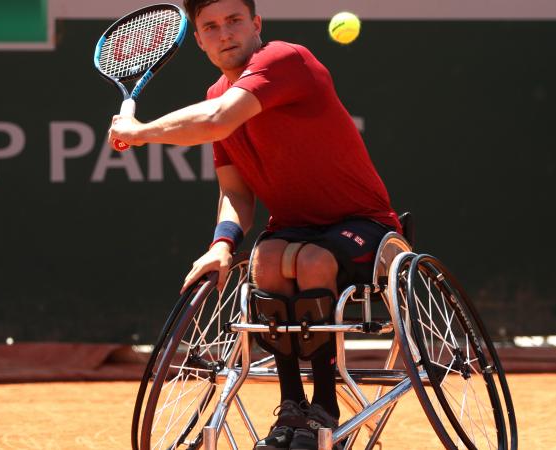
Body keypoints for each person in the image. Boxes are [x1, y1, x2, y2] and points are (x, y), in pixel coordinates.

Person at [108, 1, 401, 449]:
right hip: (294, 230)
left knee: (312, 259)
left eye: (234, 21)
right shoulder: (214, 95)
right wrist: (222, 244)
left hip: (364, 224)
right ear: (200, 41)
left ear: (256, 25)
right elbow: (236, 193)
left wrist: (140, 130)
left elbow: (219, 119)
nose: (225, 33)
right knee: (264, 260)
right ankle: (290, 409)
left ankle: (324, 407)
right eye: (211, 27)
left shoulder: (285, 60)